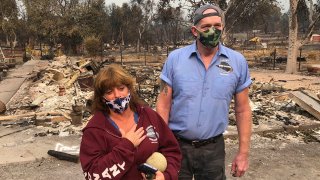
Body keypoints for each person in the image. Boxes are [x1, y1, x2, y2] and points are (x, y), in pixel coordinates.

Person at [156, 4, 252, 180]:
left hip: (213, 149)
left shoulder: (237, 62)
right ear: (194, 30)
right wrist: (162, 144)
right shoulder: (175, 60)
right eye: (206, 27)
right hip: (176, 146)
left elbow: (243, 109)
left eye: (217, 26)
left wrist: (243, 153)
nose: (213, 31)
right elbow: (163, 105)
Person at [80, 64, 181, 180]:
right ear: (102, 97)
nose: (117, 95)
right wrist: (126, 146)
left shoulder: (148, 116)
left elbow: (172, 151)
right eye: (109, 92)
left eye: (121, 88)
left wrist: (166, 176)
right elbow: (93, 175)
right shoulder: (95, 130)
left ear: (129, 89)